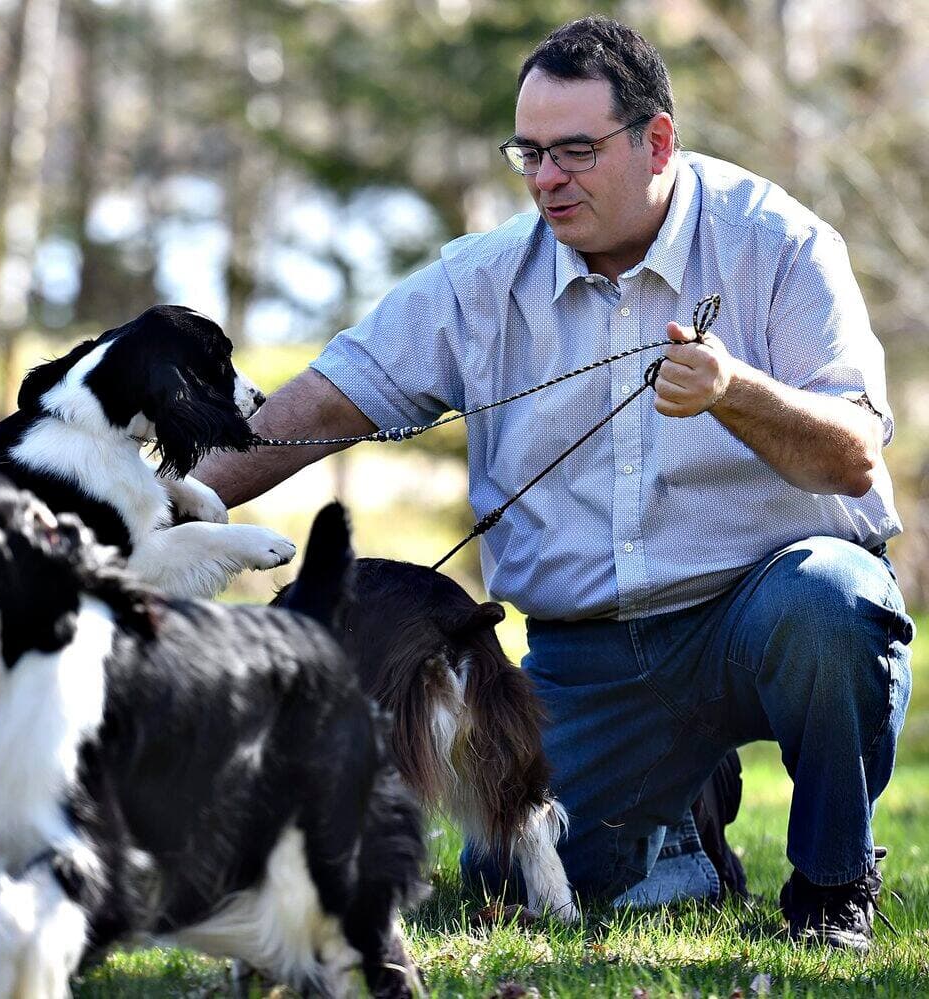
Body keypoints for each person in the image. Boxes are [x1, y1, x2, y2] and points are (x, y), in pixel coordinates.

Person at [193, 15, 912, 951]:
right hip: (592, 656)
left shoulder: (779, 243)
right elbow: (322, 403)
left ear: (658, 141)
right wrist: (170, 504)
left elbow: (853, 456)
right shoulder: (480, 281)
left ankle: (832, 886)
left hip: (763, 616)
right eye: (527, 153)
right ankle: (686, 819)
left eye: (575, 151)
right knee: (510, 868)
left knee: (834, 602)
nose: (544, 179)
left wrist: (736, 391)